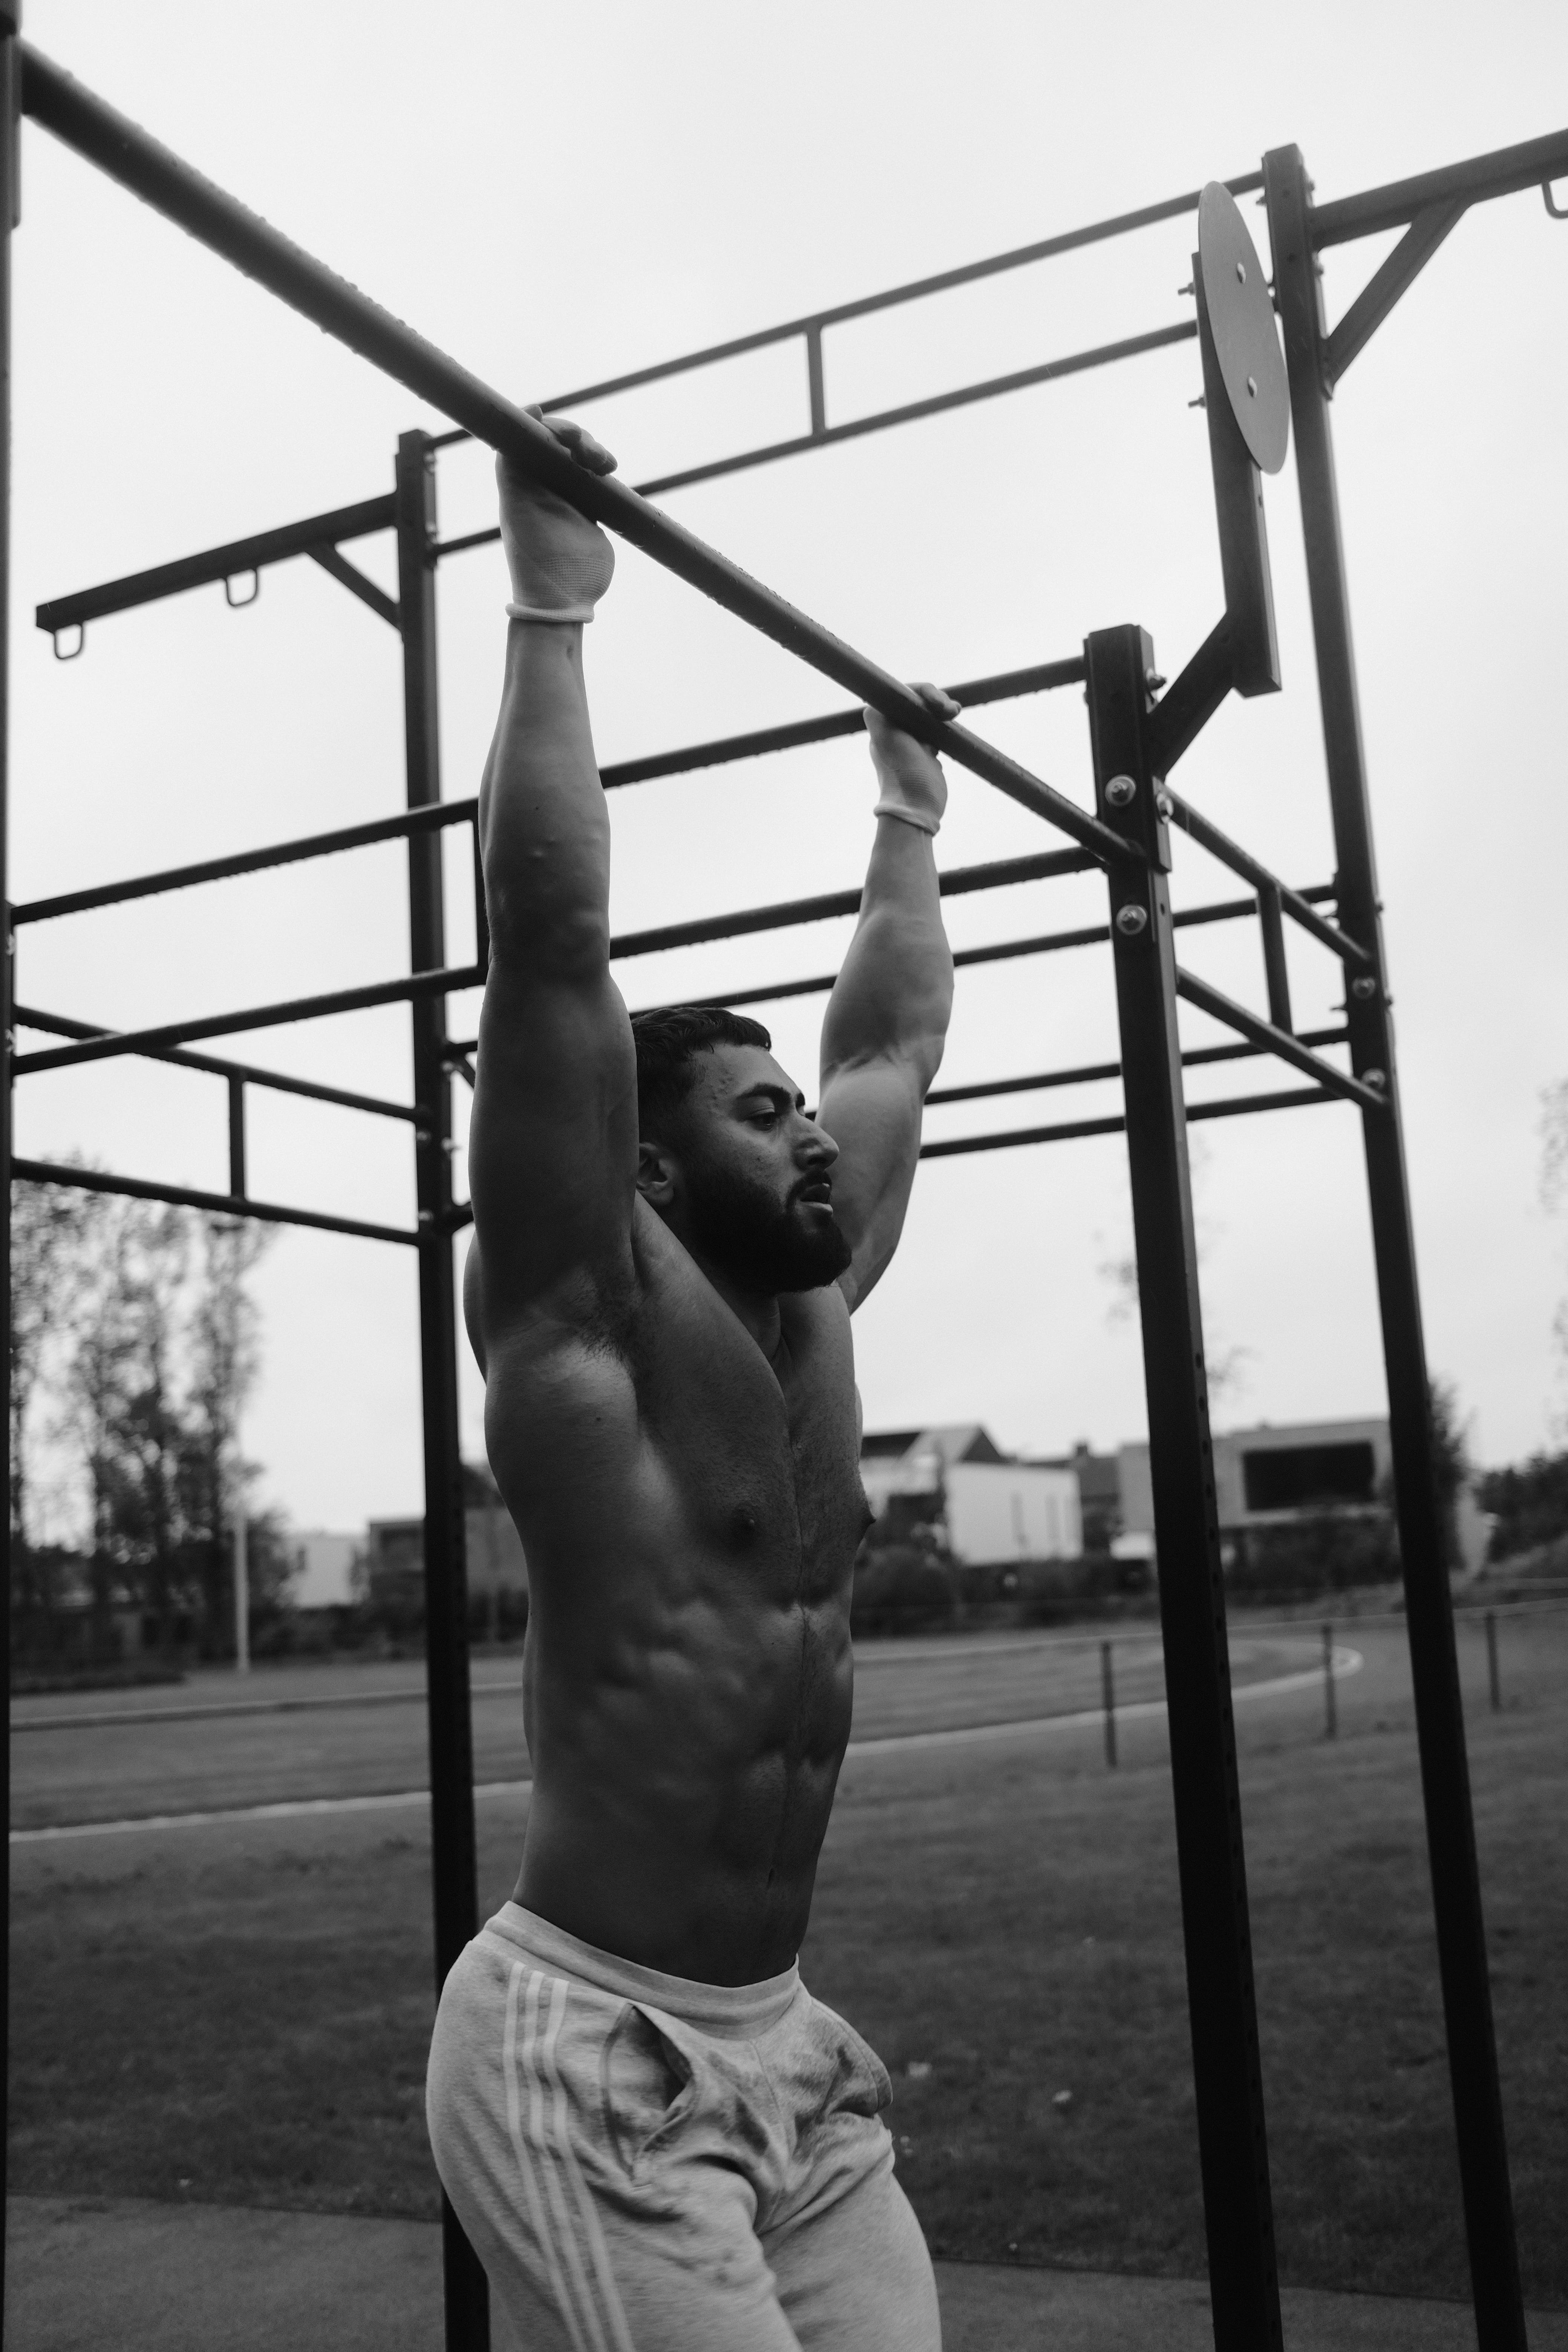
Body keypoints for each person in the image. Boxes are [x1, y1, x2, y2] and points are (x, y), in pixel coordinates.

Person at [427, 411, 956, 2352]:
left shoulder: (823, 1298)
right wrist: (555, 599)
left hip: (788, 2050)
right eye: (758, 1116)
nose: (810, 1138)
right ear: (646, 1173)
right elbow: (550, 939)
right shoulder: (577, 1324)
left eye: (794, 1108)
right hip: (591, 2054)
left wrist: (905, 810)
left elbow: (890, 1040)